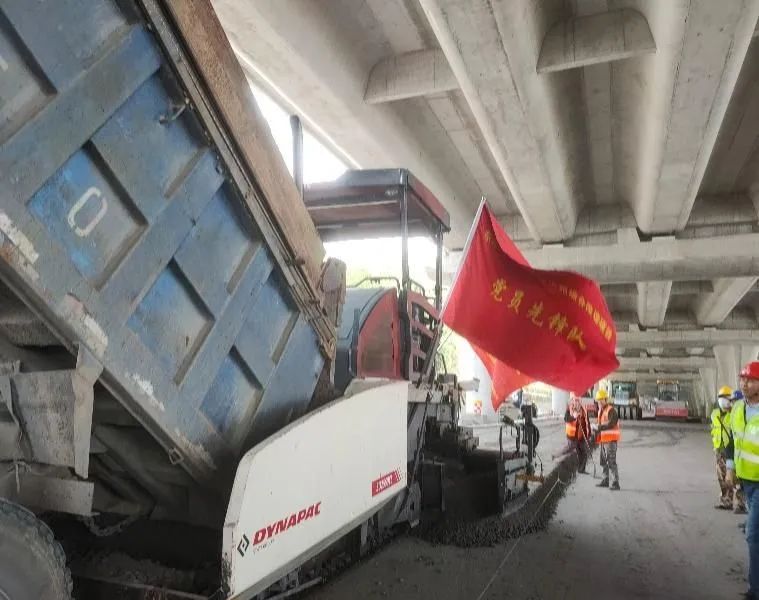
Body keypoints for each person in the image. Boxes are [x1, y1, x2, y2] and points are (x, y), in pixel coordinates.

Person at [726, 362, 759, 600]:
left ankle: (755, 590)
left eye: (751, 380)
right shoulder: (738, 408)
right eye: (743, 379)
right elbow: (732, 440)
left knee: (752, 534)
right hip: (746, 480)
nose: (745, 384)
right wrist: (730, 468)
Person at [712, 386, 746, 512]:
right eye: (720, 398)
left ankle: (741, 503)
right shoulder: (715, 413)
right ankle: (727, 500)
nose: (723, 401)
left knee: (736, 477)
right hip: (720, 449)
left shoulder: (734, 413)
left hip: (733, 448)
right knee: (722, 477)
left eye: (725, 398)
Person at [592, 389, 620, 490]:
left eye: (601, 399)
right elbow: (601, 424)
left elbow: (611, 423)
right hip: (604, 441)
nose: (599, 402)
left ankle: (615, 483)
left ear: (605, 399)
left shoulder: (611, 410)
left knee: (611, 461)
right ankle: (605, 480)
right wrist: (595, 428)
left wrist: (598, 427)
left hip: (611, 441)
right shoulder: (601, 410)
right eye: (598, 400)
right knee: (603, 461)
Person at [557, 393, 591, 473]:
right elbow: (566, 419)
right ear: (572, 401)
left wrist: (588, 433)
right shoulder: (569, 409)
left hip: (582, 436)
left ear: (581, 401)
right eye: (575, 400)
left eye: (578, 400)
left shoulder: (584, 409)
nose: (577, 402)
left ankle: (581, 469)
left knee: (583, 453)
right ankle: (557, 457)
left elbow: (587, 422)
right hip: (573, 436)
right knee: (570, 450)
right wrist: (573, 417)